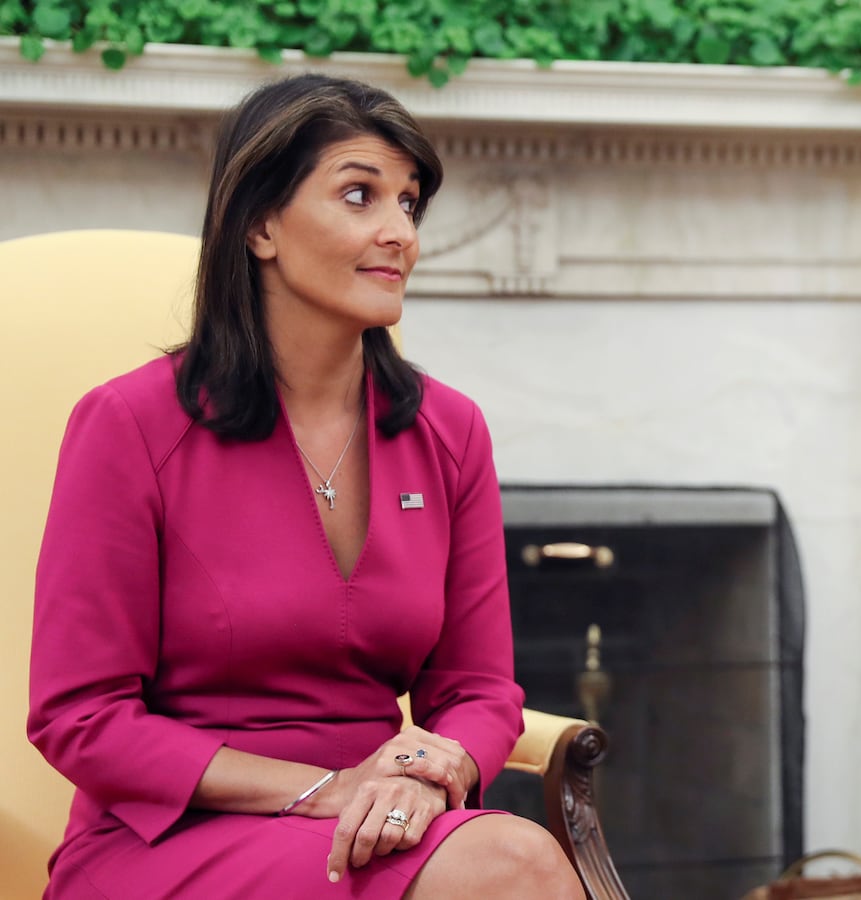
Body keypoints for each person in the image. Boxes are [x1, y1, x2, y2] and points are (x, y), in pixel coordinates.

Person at [27, 74, 584, 898]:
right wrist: (326, 791)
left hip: (378, 822)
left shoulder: (449, 431)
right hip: (169, 838)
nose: (398, 231)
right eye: (360, 195)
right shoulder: (129, 424)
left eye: (409, 202)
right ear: (259, 225)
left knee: (507, 860)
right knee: (511, 864)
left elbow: (477, 688)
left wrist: (429, 771)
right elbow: (79, 716)